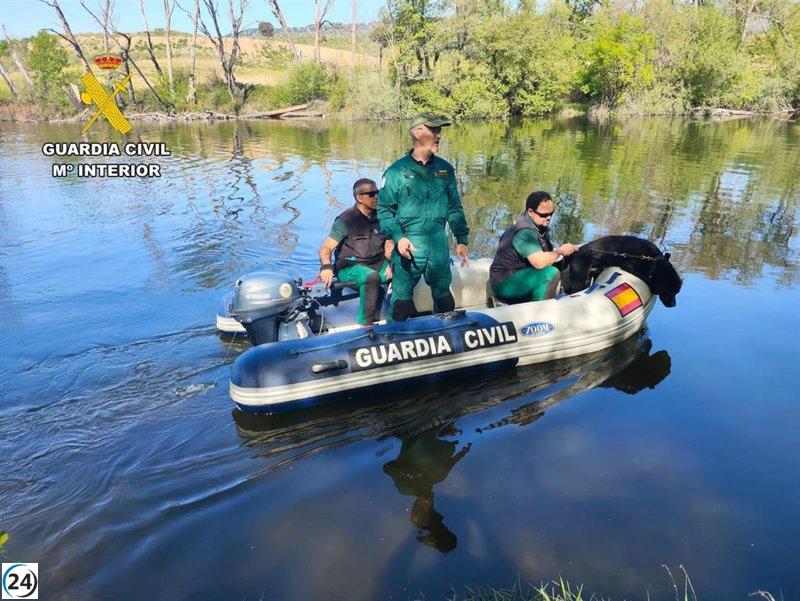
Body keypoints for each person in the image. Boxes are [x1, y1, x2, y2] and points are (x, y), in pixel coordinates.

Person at [378, 113, 470, 322]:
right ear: (417, 133)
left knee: (444, 294)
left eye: (440, 130)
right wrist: (398, 236)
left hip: (438, 241)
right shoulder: (396, 172)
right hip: (409, 242)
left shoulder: (445, 169)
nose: (439, 135)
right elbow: (384, 212)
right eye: (434, 130)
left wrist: (462, 239)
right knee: (401, 299)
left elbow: (455, 207)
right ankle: (395, 339)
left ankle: (448, 335)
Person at [318, 178, 394, 325]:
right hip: (350, 267)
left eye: (377, 193)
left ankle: (397, 318)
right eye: (371, 194)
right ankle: (366, 325)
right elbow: (326, 248)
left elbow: (390, 245)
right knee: (371, 277)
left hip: (377, 263)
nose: (376, 197)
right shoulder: (345, 220)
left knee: (404, 268)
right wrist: (326, 267)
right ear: (359, 198)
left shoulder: (382, 216)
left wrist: (393, 262)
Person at [489, 191, 580, 303]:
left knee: (563, 263)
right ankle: (539, 312)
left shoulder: (537, 224)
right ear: (530, 211)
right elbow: (539, 263)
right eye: (543, 215)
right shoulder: (524, 232)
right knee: (550, 273)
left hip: (520, 274)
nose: (548, 218)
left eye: (551, 213)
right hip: (504, 283)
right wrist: (560, 251)